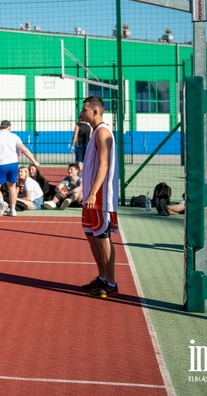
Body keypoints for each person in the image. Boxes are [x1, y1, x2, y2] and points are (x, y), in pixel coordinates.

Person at [79, 96, 120, 299]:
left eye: (84, 109)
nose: (81, 112)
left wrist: (94, 192)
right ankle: (103, 277)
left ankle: (111, 282)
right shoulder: (94, 132)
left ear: (95, 111)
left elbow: (104, 164)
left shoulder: (103, 132)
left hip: (100, 195)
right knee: (91, 234)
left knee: (102, 236)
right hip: (90, 195)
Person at [0, 120, 39, 218]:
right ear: (9, 127)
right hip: (13, 164)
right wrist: (34, 161)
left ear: (0, 127)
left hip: (0, 164)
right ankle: (12, 210)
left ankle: (1, 203)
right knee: (12, 186)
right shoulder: (14, 136)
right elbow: (24, 149)